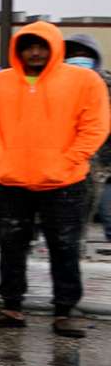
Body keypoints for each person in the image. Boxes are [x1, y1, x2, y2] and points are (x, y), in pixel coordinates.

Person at [0, 22, 110, 340]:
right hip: (11, 181)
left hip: (65, 182)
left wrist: (68, 162)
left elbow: (95, 126)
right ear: (18, 49)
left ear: (54, 47)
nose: (35, 52)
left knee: (65, 247)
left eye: (41, 46)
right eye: (28, 46)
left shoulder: (83, 80)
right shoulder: (1, 82)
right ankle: (11, 307)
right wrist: (1, 162)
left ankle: (65, 311)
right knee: (11, 246)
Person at [68, 34, 111, 238]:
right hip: (66, 166)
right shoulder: (58, 86)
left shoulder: (106, 86)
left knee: (105, 214)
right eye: (73, 55)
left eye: (84, 55)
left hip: (102, 168)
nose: (79, 59)